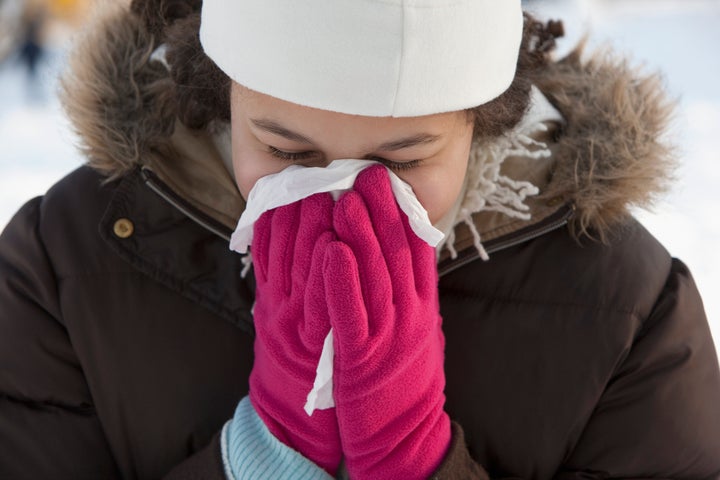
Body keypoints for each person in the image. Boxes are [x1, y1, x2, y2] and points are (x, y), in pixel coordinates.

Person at [1, 0, 719, 478]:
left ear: (484, 120)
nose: (346, 195)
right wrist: (266, 453)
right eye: (287, 152)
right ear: (219, 95)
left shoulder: (627, 308)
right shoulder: (63, 264)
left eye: (403, 161)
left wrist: (416, 458)